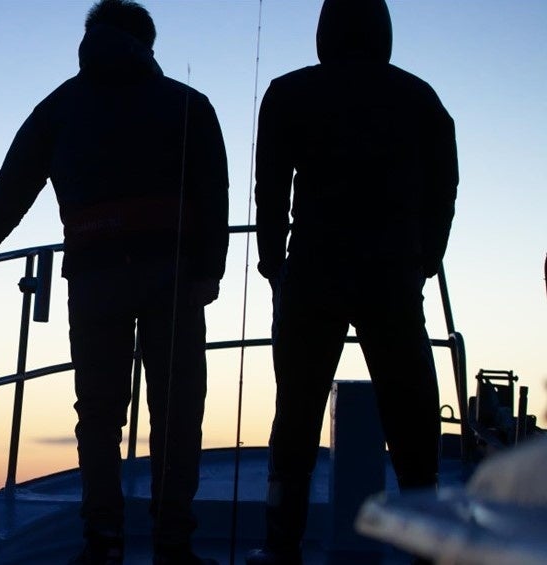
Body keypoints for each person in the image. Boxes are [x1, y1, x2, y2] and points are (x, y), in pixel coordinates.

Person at [0, 1, 228, 563]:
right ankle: (173, 544)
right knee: (178, 409)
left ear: (91, 39)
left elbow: (7, 199)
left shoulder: (58, 108)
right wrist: (211, 271)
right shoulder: (187, 104)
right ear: (149, 43)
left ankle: (104, 541)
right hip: (175, 277)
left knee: (98, 413)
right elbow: (215, 198)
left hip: (95, 279)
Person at [246, 0, 459, 563]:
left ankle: (280, 545)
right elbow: (445, 186)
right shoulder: (420, 98)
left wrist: (273, 262)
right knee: (411, 413)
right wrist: (427, 257)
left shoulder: (288, 94)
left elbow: (269, 188)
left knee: (295, 413)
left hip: (312, 273)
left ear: (324, 33)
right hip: (392, 276)